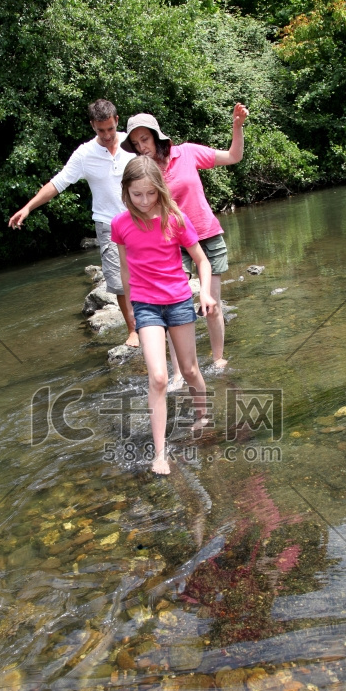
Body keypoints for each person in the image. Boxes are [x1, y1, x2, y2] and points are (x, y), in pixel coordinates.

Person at [121, 103, 249, 374]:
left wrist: (237, 127)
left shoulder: (187, 153)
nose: (142, 146)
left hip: (207, 235)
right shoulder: (144, 173)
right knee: (172, 310)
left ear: (157, 136)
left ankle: (217, 359)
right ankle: (179, 372)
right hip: (171, 244)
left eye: (145, 139)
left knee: (212, 305)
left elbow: (233, 156)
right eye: (136, 142)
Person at [111, 157, 216, 475]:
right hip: (146, 306)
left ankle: (202, 417)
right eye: (136, 195)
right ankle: (160, 454)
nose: (143, 201)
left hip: (179, 301)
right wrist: (131, 316)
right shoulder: (120, 224)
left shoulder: (175, 218)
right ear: (126, 192)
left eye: (150, 194)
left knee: (189, 369)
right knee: (158, 377)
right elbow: (127, 273)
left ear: (159, 190)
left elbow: (202, 260)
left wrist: (206, 292)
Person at [9, 99, 139, 346]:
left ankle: (155, 320)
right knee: (119, 282)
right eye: (101, 130)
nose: (107, 135)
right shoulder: (84, 154)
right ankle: (133, 330)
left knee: (147, 272)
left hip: (140, 220)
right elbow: (57, 184)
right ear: (92, 126)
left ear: (117, 121)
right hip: (108, 224)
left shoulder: (132, 143)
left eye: (110, 129)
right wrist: (28, 207)